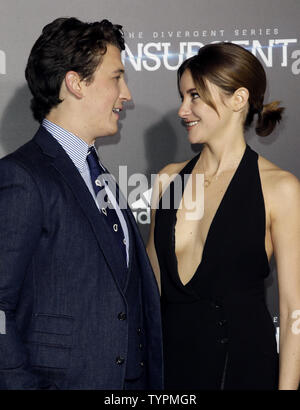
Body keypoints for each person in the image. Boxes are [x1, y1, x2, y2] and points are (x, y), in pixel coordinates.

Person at [0, 17, 163, 390]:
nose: (127, 94)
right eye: (116, 78)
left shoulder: (97, 173)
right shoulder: (22, 178)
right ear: (75, 83)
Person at [147, 42, 300, 390]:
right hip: (173, 370)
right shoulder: (167, 180)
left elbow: (294, 311)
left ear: (238, 99)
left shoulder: (280, 188)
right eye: (182, 97)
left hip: (243, 369)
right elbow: (151, 287)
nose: (183, 110)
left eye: (194, 96)